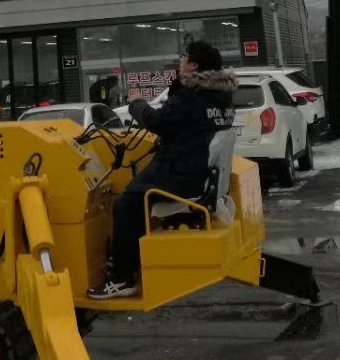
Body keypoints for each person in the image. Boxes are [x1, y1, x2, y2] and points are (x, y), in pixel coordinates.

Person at [88, 40, 236, 300]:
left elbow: (157, 121)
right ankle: (126, 260)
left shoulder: (192, 96)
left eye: (184, 57)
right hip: (198, 172)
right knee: (135, 196)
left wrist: (136, 104)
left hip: (182, 173)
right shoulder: (220, 97)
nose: (180, 61)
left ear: (193, 65)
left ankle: (122, 278)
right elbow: (187, 127)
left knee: (125, 203)